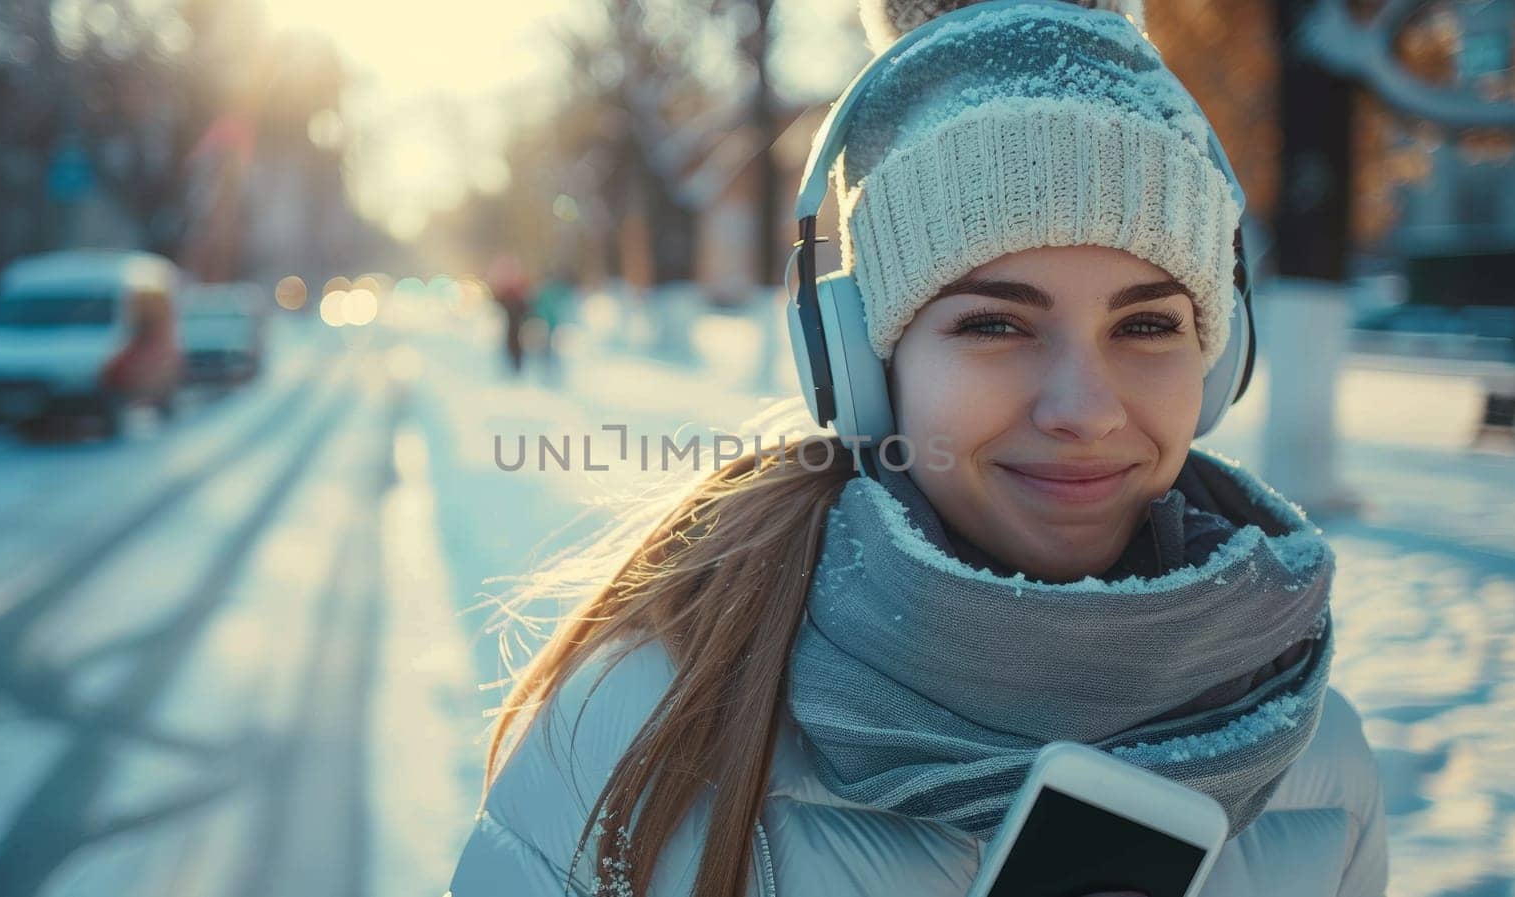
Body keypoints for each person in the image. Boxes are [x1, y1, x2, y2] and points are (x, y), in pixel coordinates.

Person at [447, 2, 1389, 896]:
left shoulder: (1318, 760)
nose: (1086, 409)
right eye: (994, 325)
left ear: (1218, 364)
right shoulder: (640, 727)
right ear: (862, 367)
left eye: (1146, 325)